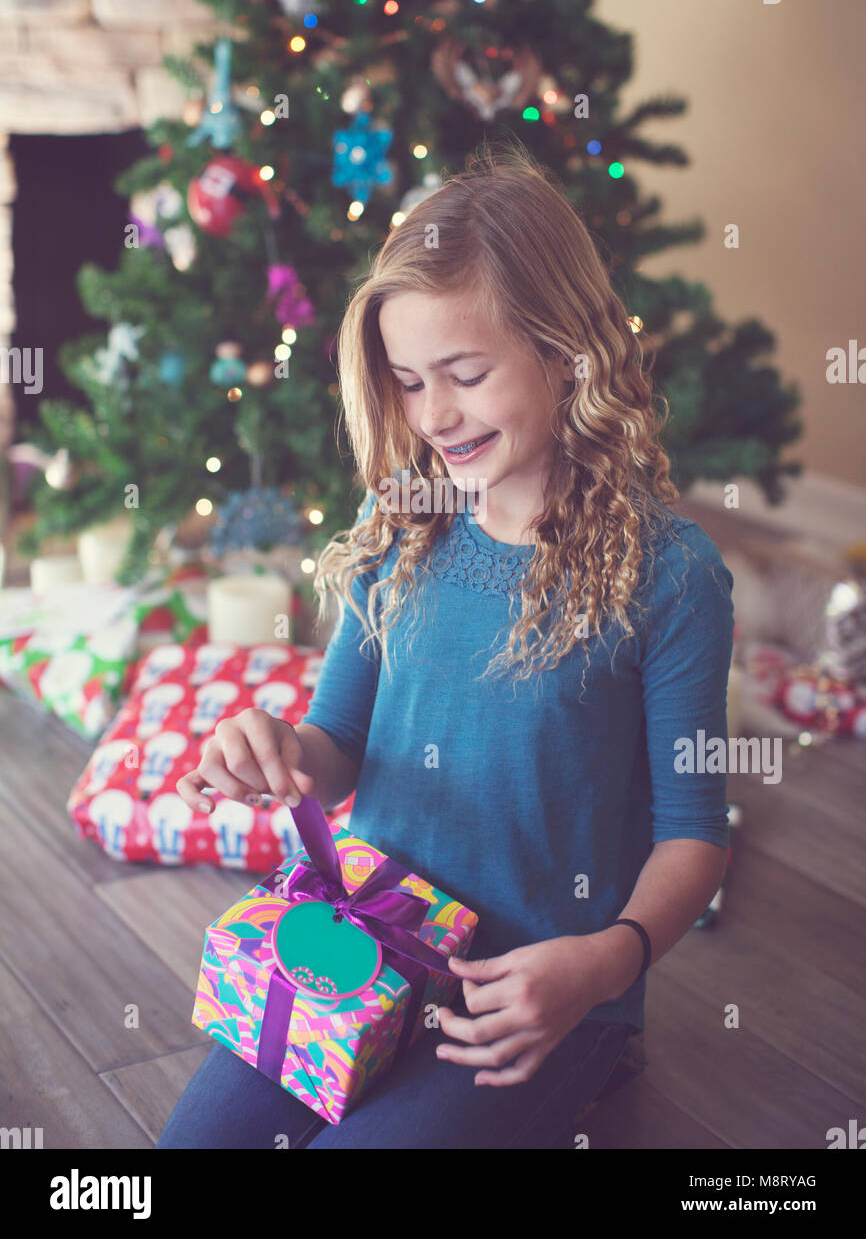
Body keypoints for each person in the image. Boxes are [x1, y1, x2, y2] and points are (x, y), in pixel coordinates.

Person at [160, 139, 733, 1149]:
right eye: (407, 380)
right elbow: (335, 746)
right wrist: (272, 748)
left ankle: (603, 1062)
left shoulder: (670, 575)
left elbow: (693, 832)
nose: (432, 416)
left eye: (464, 374)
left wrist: (604, 963)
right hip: (369, 954)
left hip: (533, 1002)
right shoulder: (402, 526)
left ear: (567, 354)